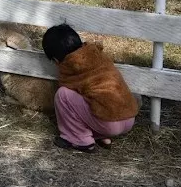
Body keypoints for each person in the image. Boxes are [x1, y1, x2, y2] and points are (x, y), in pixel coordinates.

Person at [41, 23, 138, 153]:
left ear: (56, 60)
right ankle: (102, 136)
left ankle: (79, 140)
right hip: (129, 117)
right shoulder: (97, 54)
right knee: (94, 99)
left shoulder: (70, 65)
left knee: (63, 95)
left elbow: (69, 92)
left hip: (108, 121)